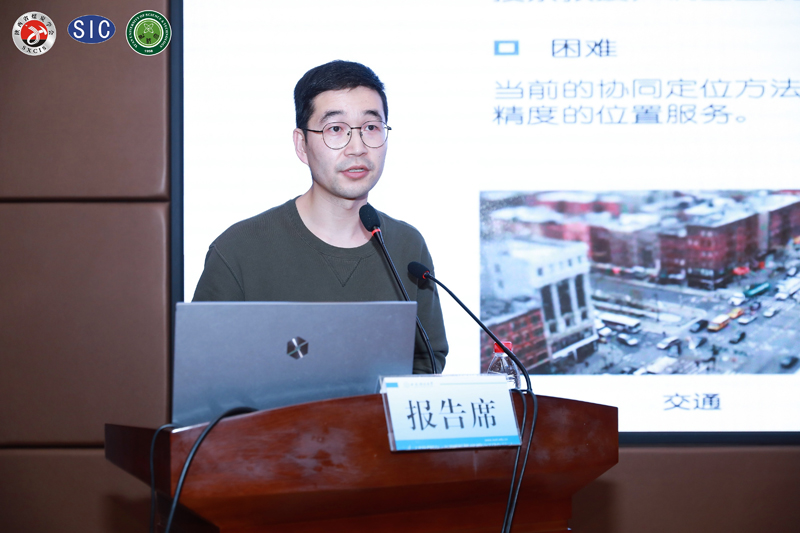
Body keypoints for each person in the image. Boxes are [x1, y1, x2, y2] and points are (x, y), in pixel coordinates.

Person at [192, 60, 448, 373]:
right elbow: (204, 370)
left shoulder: (407, 246)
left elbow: (426, 362)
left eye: (371, 127)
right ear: (302, 145)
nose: (357, 148)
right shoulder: (239, 249)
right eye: (336, 129)